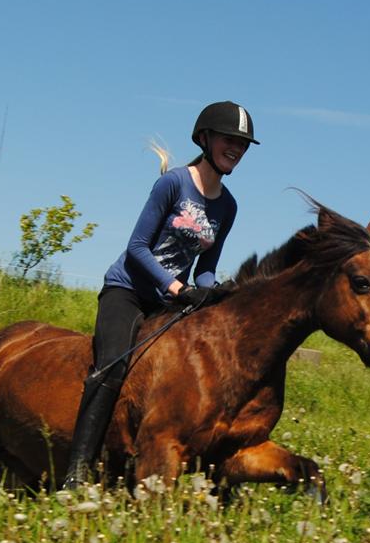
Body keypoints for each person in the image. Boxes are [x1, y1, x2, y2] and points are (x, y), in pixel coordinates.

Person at [61, 101, 259, 488]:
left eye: (243, 144)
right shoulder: (173, 184)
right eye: (228, 139)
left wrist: (209, 294)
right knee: (111, 368)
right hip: (128, 290)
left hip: (170, 301)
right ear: (205, 138)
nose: (236, 148)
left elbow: (205, 267)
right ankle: (76, 471)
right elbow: (137, 248)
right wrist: (176, 287)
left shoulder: (229, 206)